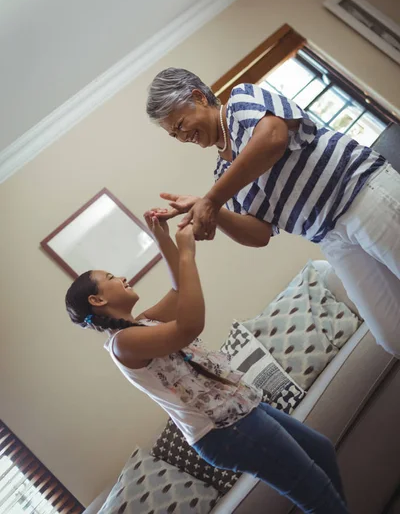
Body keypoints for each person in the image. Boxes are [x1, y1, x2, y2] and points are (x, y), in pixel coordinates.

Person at [65, 214, 349, 514]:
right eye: (110, 278)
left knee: (321, 451)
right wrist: (186, 252)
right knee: (315, 492)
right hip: (226, 429)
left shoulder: (142, 324)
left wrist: (163, 238)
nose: (121, 277)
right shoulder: (122, 343)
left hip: (238, 407)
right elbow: (189, 326)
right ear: (97, 300)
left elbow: (178, 288)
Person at [146, 68, 400, 358]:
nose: (181, 137)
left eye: (179, 124)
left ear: (199, 97)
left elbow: (273, 138)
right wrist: (209, 209)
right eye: (173, 134)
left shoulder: (241, 101)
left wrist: (211, 201)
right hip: (330, 237)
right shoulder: (223, 175)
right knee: (392, 335)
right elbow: (260, 233)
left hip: (361, 192)